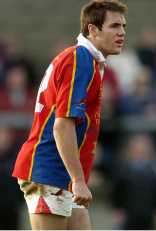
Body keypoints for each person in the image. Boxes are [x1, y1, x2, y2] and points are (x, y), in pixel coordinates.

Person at [11, 0, 127, 229]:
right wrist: (78, 179)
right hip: (49, 170)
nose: (122, 32)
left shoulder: (88, 61)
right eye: (114, 26)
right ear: (92, 29)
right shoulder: (80, 59)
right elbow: (62, 125)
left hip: (61, 174)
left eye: (123, 26)